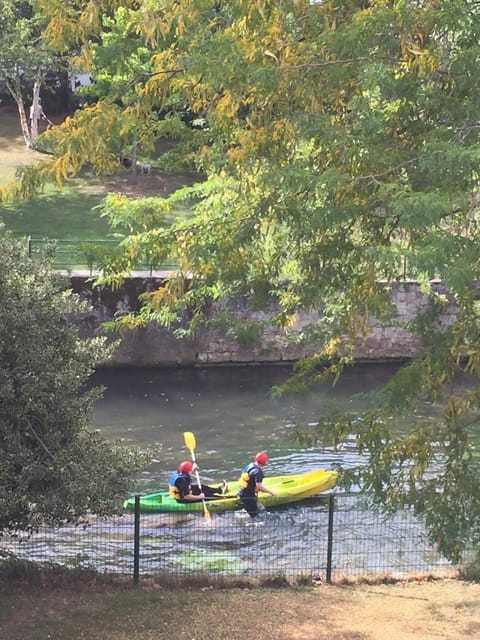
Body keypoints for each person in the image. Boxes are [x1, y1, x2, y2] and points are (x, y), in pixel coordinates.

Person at [238, 451, 276, 518]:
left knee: (251, 511)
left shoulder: (250, 465)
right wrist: (271, 493)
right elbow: (259, 487)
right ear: (264, 462)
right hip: (248, 495)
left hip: (242, 491)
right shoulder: (258, 472)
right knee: (254, 516)